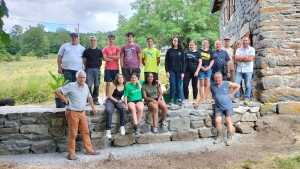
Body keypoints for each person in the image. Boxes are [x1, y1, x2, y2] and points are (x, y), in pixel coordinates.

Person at [54, 70, 100, 160]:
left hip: (82, 112)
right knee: (73, 134)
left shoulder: (86, 86)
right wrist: (65, 100)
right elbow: (57, 91)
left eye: (83, 77)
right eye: (80, 77)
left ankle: (89, 150)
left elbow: (89, 97)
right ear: (76, 78)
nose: (82, 79)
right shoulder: (71, 86)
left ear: (85, 78)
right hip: (72, 112)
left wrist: (93, 107)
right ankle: (71, 154)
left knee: (85, 132)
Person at [194, 72, 240, 146]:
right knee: (218, 120)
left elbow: (238, 86)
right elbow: (205, 94)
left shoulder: (227, 83)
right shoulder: (212, 85)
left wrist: (231, 94)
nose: (217, 79)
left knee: (228, 120)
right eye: (216, 78)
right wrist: (198, 103)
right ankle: (220, 137)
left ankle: (229, 137)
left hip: (228, 106)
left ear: (221, 78)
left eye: (218, 77)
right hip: (218, 107)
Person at [232, 36, 255, 105]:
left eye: (246, 40)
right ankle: (237, 97)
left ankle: (247, 98)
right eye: (243, 40)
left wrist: (240, 58)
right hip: (239, 69)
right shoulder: (239, 50)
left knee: (248, 84)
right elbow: (236, 58)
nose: (245, 42)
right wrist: (245, 57)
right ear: (242, 41)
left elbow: (250, 59)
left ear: (249, 41)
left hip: (248, 69)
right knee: (236, 83)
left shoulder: (252, 49)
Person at [165, 36, 185, 106]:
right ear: (172, 41)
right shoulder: (169, 51)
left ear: (178, 42)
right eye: (174, 40)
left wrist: (183, 72)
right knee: (172, 85)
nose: (175, 42)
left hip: (179, 71)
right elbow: (166, 62)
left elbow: (183, 62)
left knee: (178, 85)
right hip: (171, 71)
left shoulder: (181, 51)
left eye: (176, 40)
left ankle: (179, 99)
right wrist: (167, 71)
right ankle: (171, 100)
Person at [105, 74, 127, 138]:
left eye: (121, 78)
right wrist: (116, 101)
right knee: (109, 110)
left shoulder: (125, 85)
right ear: (117, 79)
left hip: (119, 100)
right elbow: (109, 95)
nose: (120, 79)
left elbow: (134, 81)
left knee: (123, 108)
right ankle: (108, 130)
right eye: (119, 78)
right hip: (111, 100)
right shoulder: (115, 85)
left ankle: (122, 126)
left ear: (123, 79)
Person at [83, 36, 103, 105]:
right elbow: (84, 61)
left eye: (94, 40)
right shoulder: (86, 51)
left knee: (97, 85)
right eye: (91, 40)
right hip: (89, 69)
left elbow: (101, 60)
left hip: (97, 69)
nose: (93, 42)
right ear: (89, 42)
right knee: (88, 85)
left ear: (96, 42)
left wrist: (98, 66)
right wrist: (85, 69)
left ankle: (95, 99)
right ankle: (90, 99)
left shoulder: (99, 51)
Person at [103, 34, 121, 103]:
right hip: (108, 69)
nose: (111, 40)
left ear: (114, 40)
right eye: (109, 39)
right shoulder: (105, 48)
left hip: (115, 68)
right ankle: (107, 97)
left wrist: (109, 57)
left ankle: (115, 97)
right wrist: (114, 57)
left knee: (116, 83)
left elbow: (118, 57)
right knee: (107, 84)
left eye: (112, 39)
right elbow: (104, 58)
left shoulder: (117, 48)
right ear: (108, 40)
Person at [198, 38, 214, 103]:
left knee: (207, 84)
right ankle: (202, 99)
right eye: (204, 42)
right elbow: (197, 60)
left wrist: (209, 67)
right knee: (201, 84)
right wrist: (201, 67)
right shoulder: (198, 51)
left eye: (206, 43)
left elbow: (212, 60)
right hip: (201, 68)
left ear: (208, 44)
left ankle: (206, 99)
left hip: (208, 68)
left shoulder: (210, 51)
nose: (205, 44)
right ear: (202, 43)